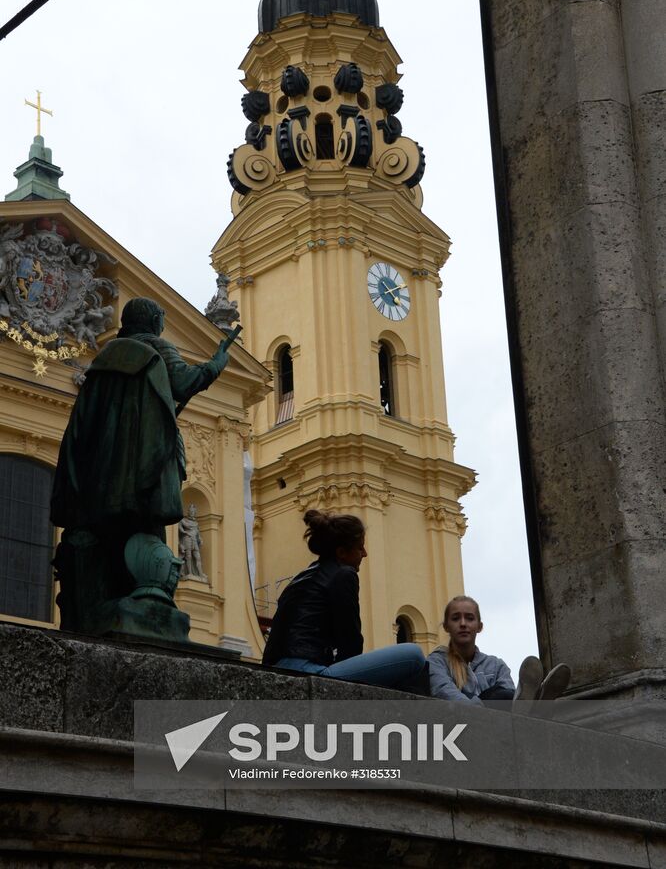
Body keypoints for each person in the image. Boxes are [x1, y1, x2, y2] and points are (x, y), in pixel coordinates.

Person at [50, 296, 236, 633]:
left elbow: (82, 426)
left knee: (107, 553)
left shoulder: (103, 363)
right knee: (143, 549)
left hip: (100, 483)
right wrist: (217, 363)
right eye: (162, 316)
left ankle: (101, 614)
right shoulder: (157, 349)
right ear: (152, 321)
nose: (163, 323)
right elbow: (184, 383)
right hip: (142, 478)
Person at [262, 509, 427, 691]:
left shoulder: (305, 576)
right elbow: (351, 640)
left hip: (279, 669)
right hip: (308, 670)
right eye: (359, 547)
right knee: (415, 655)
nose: (364, 553)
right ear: (341, 552)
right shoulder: (344, 574)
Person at [429, 595, 571, 705]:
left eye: (469, 618)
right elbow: (445, 693)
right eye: (455, 618)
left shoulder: (496, 665)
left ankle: (538, 704)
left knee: (507, 696)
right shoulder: (436, 662)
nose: (463, 624)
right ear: (446, 627)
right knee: (501, 695)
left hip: (499, 724)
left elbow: (510, 704)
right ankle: (538, 703)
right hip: (461, 721)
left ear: (479, 626)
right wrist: (481, 707)